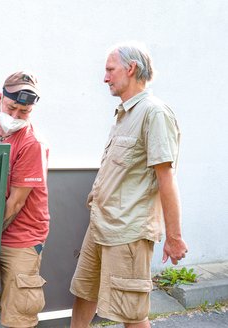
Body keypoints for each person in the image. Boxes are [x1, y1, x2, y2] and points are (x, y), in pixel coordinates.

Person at [70, 42, 188, 328]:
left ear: (131, 68)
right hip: (100, 226)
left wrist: (173, 236)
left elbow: (166, 179)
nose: (105, 78)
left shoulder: (154, 113)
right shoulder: (124, 113)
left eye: (110, 70)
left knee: (131, 313)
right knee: (84, 294)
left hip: (127, 233)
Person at [0, 71, 49, 327]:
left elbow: (15, 203)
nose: (15, 116)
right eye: (11, 107)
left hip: (21, 236)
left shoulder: (31, 143)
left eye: (24, 112)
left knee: (18, 312)